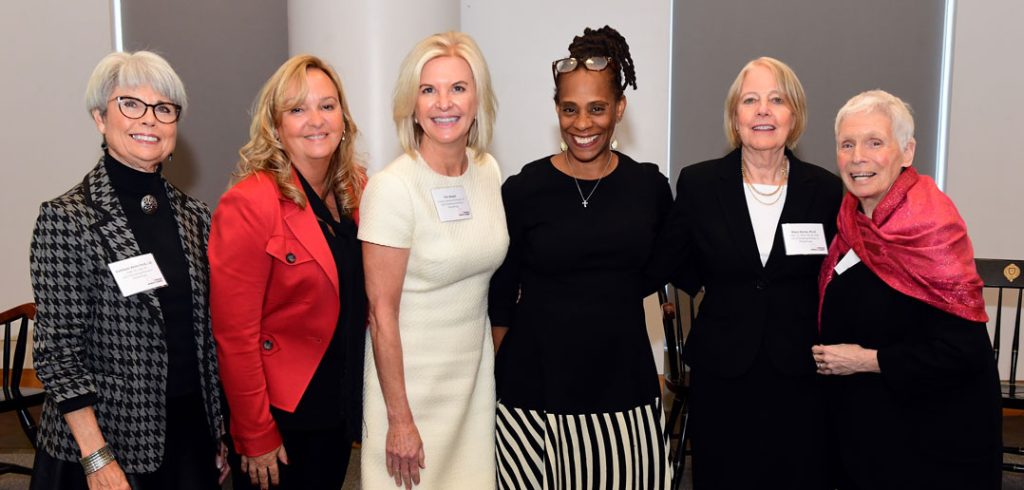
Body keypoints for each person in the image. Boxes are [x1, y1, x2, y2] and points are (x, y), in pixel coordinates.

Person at [28, 50, 227, 490]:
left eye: (163, 108)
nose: (149, 119)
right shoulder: (68, 218)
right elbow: (58, 355)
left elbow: (202, 336)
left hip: (189, 436)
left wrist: (217, 432)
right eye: (130, 104)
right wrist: (97, 459)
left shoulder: (196, 216)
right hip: (107, 446)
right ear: (101, 117)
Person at [488, 26, 674, 489]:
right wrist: (496, 373)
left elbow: (661, 266)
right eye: (569, 109)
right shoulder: (523, 189)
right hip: (534, 386)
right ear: (557, 110)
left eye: (597, 109)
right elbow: (500, 293)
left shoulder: (648, 188)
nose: (582, 124)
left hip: (623, 381)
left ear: (619, 108)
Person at [648, 56, 844, 488]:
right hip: (724, 368)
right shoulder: (699, 184)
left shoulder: (826, 190)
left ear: (794, 116)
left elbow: (840, 277)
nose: (763, 111)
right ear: (735, 118)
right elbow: (673, 259)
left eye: (777, 100)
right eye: (750, 100)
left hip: (800, 369)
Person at [814, 90, 1001, 489]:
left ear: (907, 151)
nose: (857, 156)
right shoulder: (849, 220)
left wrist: (868, 361)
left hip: (933, 438)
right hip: (868, 429)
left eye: (874, 142)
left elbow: (962, 351)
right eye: (847, 144)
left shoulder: (931, 227)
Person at [209, 54, 367, 490]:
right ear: (275, 126)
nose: (315, 120)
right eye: (297, 109)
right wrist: (255, 433)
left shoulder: (357, 189)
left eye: (327, 105)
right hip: (284, 415)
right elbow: (234, 335)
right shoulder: (250, 202)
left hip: (340, 401)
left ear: (343, 117)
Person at [358, 31, 506, 489]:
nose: (444, 103)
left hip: (473, 385)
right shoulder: (392, 188)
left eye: (458, 88)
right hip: (409, 392)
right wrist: (399, 419)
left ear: (478, 99)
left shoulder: (487, 171)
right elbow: (381, 314)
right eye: (429, 90)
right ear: (412, 104)